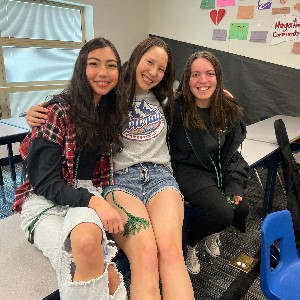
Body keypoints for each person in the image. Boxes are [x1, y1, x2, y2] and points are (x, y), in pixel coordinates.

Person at [25, 37, 195, 300]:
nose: (153, 72)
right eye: (149, 62)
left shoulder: (160, 99)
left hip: (159, 178)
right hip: (119, 181)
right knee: (146, 254)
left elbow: (197, 93)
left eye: (161, 69)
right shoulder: (109, 97)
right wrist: (35, 113)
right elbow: (74, 105)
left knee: (172, 251)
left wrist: (218, 94)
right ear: (135, 59)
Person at [13, 38, 128, 300]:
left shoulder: (109, 112)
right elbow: (44, 183)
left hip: (83, 195)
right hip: (44, 200)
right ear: (80, 68)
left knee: (88, 244)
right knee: (85, 260)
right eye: (94, 64)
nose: (103, 73)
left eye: (111, 66)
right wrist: (95, 203)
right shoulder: (56, 111)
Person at [169, 51, 250, 275]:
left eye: (209, 73)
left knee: (240, 206)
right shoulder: (176, 110)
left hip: (217, 170)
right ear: (187, 79)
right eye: (195, 74)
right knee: (222, 212)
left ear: (218, 77)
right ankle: (191, 243)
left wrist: (234, 185)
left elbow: (233, 153)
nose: (203, 81)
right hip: (188, 171)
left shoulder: (227, 108)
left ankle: (213, 230)